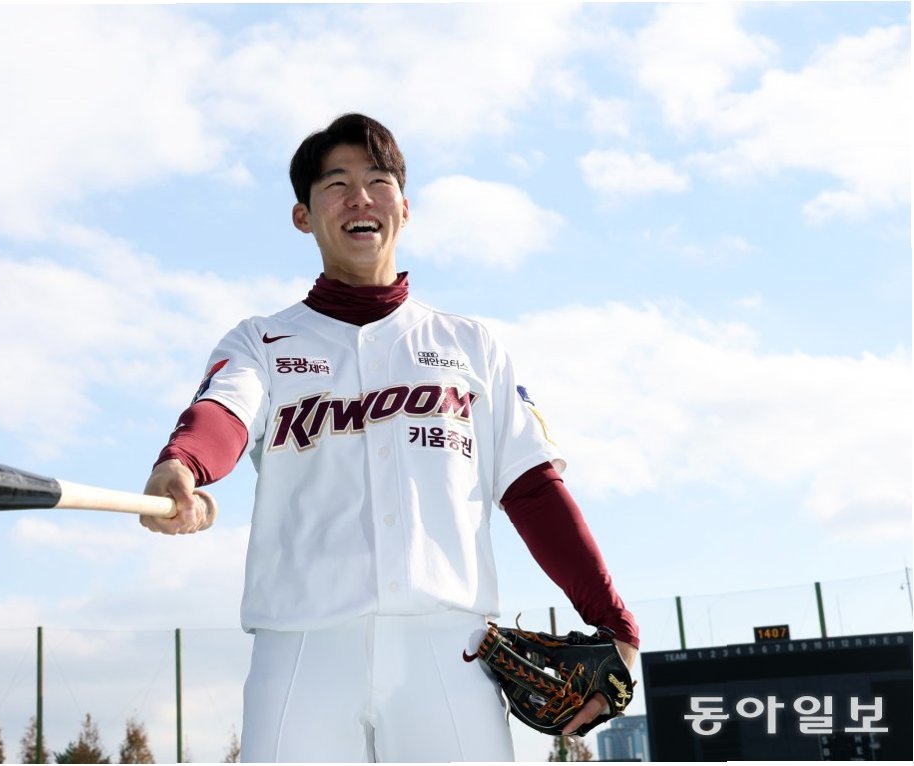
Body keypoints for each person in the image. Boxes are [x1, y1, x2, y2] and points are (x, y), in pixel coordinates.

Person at [141, 113, 639, 762]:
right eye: (336, 184)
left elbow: (533, 490)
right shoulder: (261, 341)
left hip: (451, 649)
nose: (360, 197)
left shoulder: (471, 345)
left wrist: (613, 621)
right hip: (301, 647)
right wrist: (183, 465)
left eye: (379, 181)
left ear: (405, 207)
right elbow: (222, 414)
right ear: (302, 216)